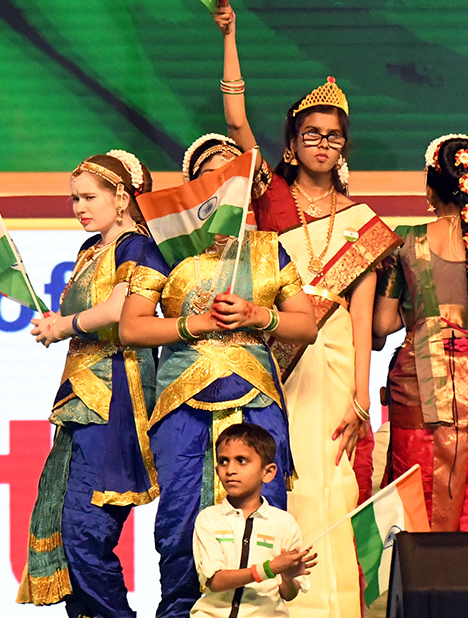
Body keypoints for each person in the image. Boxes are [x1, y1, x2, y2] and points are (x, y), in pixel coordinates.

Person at [215, 1, 400, 618]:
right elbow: (236, 119)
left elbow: (361, 308)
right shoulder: (269, 196)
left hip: (337, 367)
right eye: (312, 134)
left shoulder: (361, 224)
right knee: (281, 476)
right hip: (276, 360)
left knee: (333, 483)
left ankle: (336, 607)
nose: (324, 144)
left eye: (335, 136)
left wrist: (361, 396)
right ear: (292, 144)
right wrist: (232, 34)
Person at [119, 133, 317, 618]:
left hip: (255, 396)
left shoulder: (270, 250)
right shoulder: (164, 249)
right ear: (196, 189)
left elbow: (306, 323)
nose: (229, 181)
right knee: (181, 517)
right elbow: (130, 325)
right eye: (215, 173)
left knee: (264, 515)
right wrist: (194, 323)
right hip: (183, 398)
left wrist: (256, 315)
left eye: (238, 172)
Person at [17, 151, 170, 618]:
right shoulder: (89, 252)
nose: (79, 207)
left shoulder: (138, 247)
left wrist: (64, 325)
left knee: (86, 534)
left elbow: (123, 310)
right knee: (65, 535)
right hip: (79, 401)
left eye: (89, 197)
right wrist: (59, 322)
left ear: (121, 197)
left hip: (116, 397)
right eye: (74, 198)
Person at [373, 133, 468, 531]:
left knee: (418, 521)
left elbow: (382, 325)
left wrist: (425, 322)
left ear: (429, 186)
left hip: (419, 396)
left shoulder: (404, 240)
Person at [190, 422, 317, 618]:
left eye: (241, 460)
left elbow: (288, 594)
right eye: (224, 461)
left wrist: (288, 577)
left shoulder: (284, 523)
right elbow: (215, 581)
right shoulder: (208, 519)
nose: (230, 469)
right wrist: (270, 568)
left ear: (268, 472)